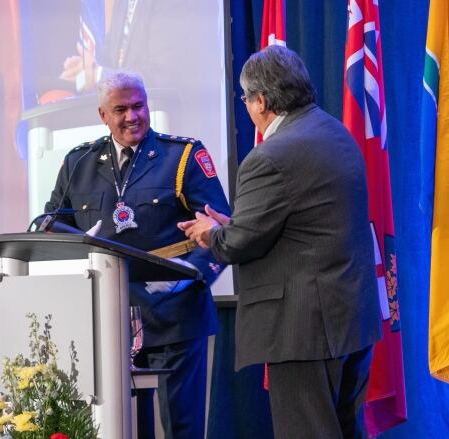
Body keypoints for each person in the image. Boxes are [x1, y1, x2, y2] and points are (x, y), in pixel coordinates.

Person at [179, 46, 382, 438]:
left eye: (245, 99)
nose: (247, 107)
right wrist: (235, 225)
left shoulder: (270, 156)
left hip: (304, 330)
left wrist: (211, 233)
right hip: (349, 318)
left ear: (261, 101)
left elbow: (239, 244)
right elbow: (299, 222)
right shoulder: (332, 131)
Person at [44, 71, 230, 438]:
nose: (132, 116)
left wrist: (183, 275)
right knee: (99, 426)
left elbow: (222, 230)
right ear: (102, 115)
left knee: (182, 427)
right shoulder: (79, 162)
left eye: (139, 106)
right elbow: (50, 224)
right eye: (121, 109)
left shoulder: (184, 156)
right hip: (103, 318)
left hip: (174, 314)